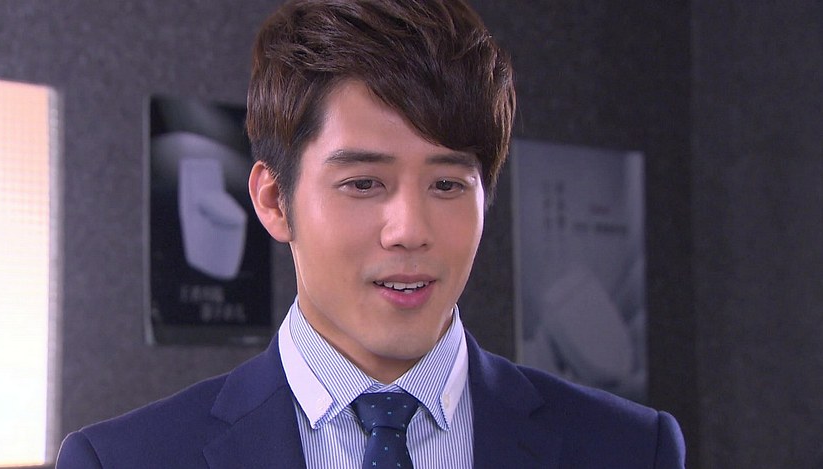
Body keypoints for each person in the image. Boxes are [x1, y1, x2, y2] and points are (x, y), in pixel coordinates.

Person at [56, 0, 686, 467]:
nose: (410, 230)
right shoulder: (125, 459)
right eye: (363, 183)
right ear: (274, 200)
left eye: (448, 184)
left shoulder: (630, 449)